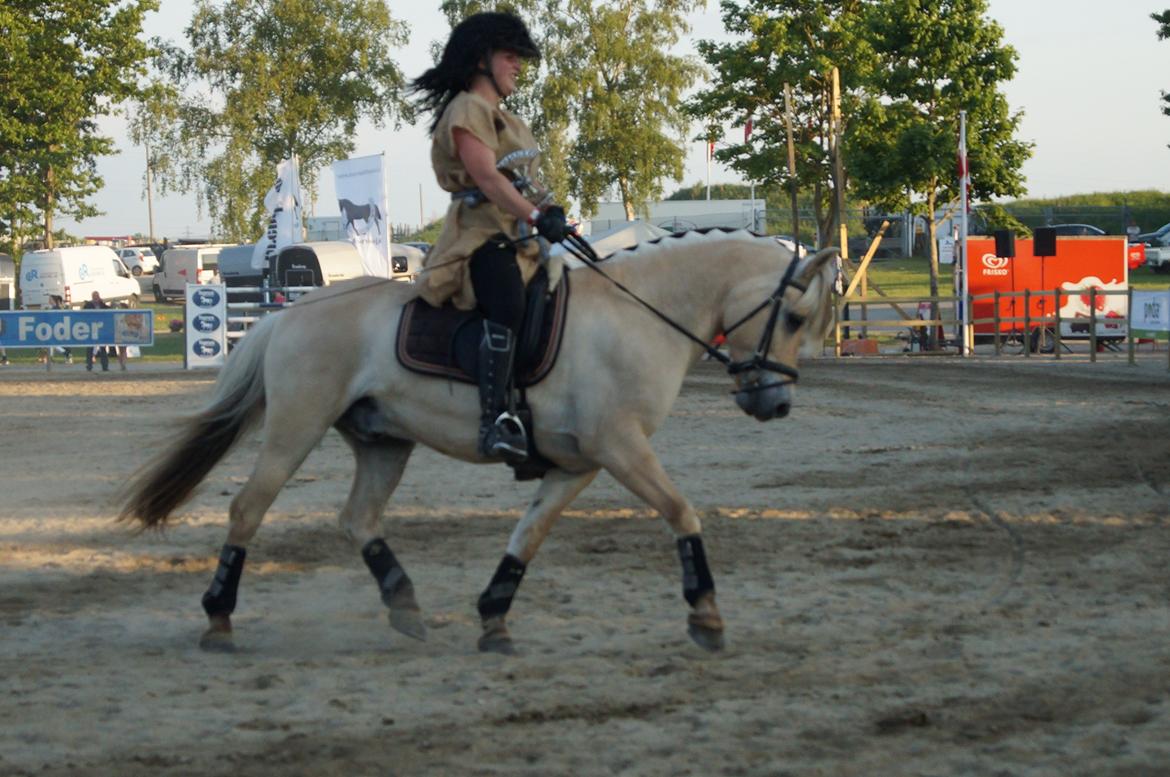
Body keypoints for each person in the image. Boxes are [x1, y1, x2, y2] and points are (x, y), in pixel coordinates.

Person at [409, 11, 570, 463]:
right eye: (509, 55)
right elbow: (488, 180)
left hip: (518, 237)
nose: (518, 65)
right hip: (479, 237)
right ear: (482, 60)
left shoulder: (508, 119)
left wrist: (549, 210)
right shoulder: (467, 109)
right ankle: (495, 419)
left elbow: (521, 181)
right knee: (509, 304)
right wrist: (538, 217)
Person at [83, 291, 110, 372]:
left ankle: (105, 366)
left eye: (97, 296)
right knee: (90, 348)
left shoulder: (102, 304)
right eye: (94, 296)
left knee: (103, 348)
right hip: (91, 329)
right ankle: (89, 365)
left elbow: (108, 310)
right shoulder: (88, 305)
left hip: (101, 329)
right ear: (92, 297)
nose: (96, 297)